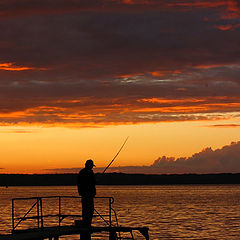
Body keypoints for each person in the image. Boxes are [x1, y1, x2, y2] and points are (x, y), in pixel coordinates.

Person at [77, 159, 96, 228]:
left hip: (84, 194)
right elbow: (93, 182)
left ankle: (86, 223)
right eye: (91, 166)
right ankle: (87, 224)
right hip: (88, 194)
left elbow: (79, 183)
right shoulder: (88, 173)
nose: (92, 167)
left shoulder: (81, 172)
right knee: (89, 210)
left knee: (86, 209)